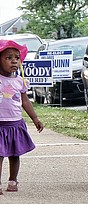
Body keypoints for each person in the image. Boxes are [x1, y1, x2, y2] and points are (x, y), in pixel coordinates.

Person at [0, 40, 44, 195]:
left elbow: (25, 101)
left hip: (15, 123)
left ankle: (13, 180)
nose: (14, 60)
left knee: (14, 154)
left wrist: (35, 118)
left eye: (17, 58)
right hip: (0, 125)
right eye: (8, 57)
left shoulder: (20, 81)